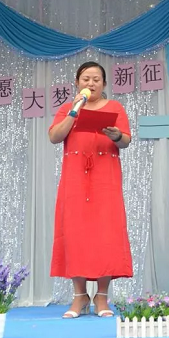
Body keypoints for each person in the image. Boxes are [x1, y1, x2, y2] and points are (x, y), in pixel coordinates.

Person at [48, 61, 133, 318]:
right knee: (76, 234)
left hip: (105, 178)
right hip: (75, 178)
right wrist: (74, 111)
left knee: (106, 233)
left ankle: (102, 298)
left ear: (104, 84)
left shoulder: (115, 107)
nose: (91, 83)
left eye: (96, 79)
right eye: (86, 79)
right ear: (77, 82)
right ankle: (79, 297)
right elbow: (54, 137)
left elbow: (126, 140)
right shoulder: (68, 108)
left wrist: (116, 135)